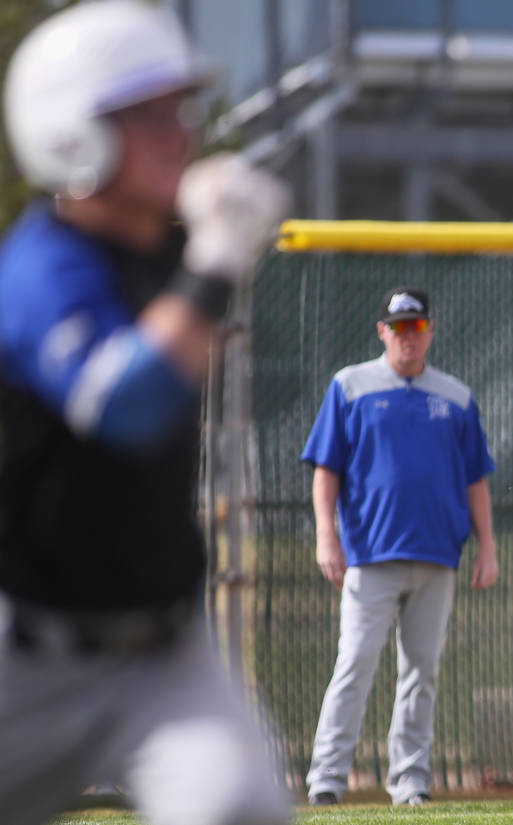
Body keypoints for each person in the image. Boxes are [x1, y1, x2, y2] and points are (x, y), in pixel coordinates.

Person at [0, 3, 292, 824]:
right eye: (145, 115)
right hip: (24, 653)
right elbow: (124, 407)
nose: (179, 132)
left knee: (238, 810)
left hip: (164, 656)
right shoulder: (38, 268)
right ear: (68, 134)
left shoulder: (177, 245)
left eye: (180, 109)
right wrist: (215, 263)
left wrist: (205, 253)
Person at [302, 286, 498, 806]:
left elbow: (475, 479)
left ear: (430, 331)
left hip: (437, 556)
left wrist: (488, 547)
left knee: (421, 674)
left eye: (417, 326)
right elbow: (327, 469)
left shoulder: (455, 396)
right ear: (382, 331)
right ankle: (327, 779)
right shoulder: (350, 386)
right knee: (355, 665)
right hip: (370, 554)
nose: (408, 336)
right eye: (399, 326)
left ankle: (409, 781)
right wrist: (327, 535)